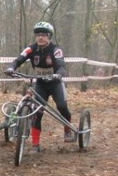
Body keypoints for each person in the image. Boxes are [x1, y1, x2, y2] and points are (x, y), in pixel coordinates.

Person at [5, 21, 74, 153]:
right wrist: (11, 68)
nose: (40, 37)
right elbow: (19, 59)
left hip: (55, 83)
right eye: (37, 35)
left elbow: (61, 66)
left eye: (43, 35)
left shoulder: (56, 50)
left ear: (49, 36)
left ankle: (67, 128)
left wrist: (58, 75)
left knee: (62, 106)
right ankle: (36, 145)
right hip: (40, 83)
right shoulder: (31, 49)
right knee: (37, 112)